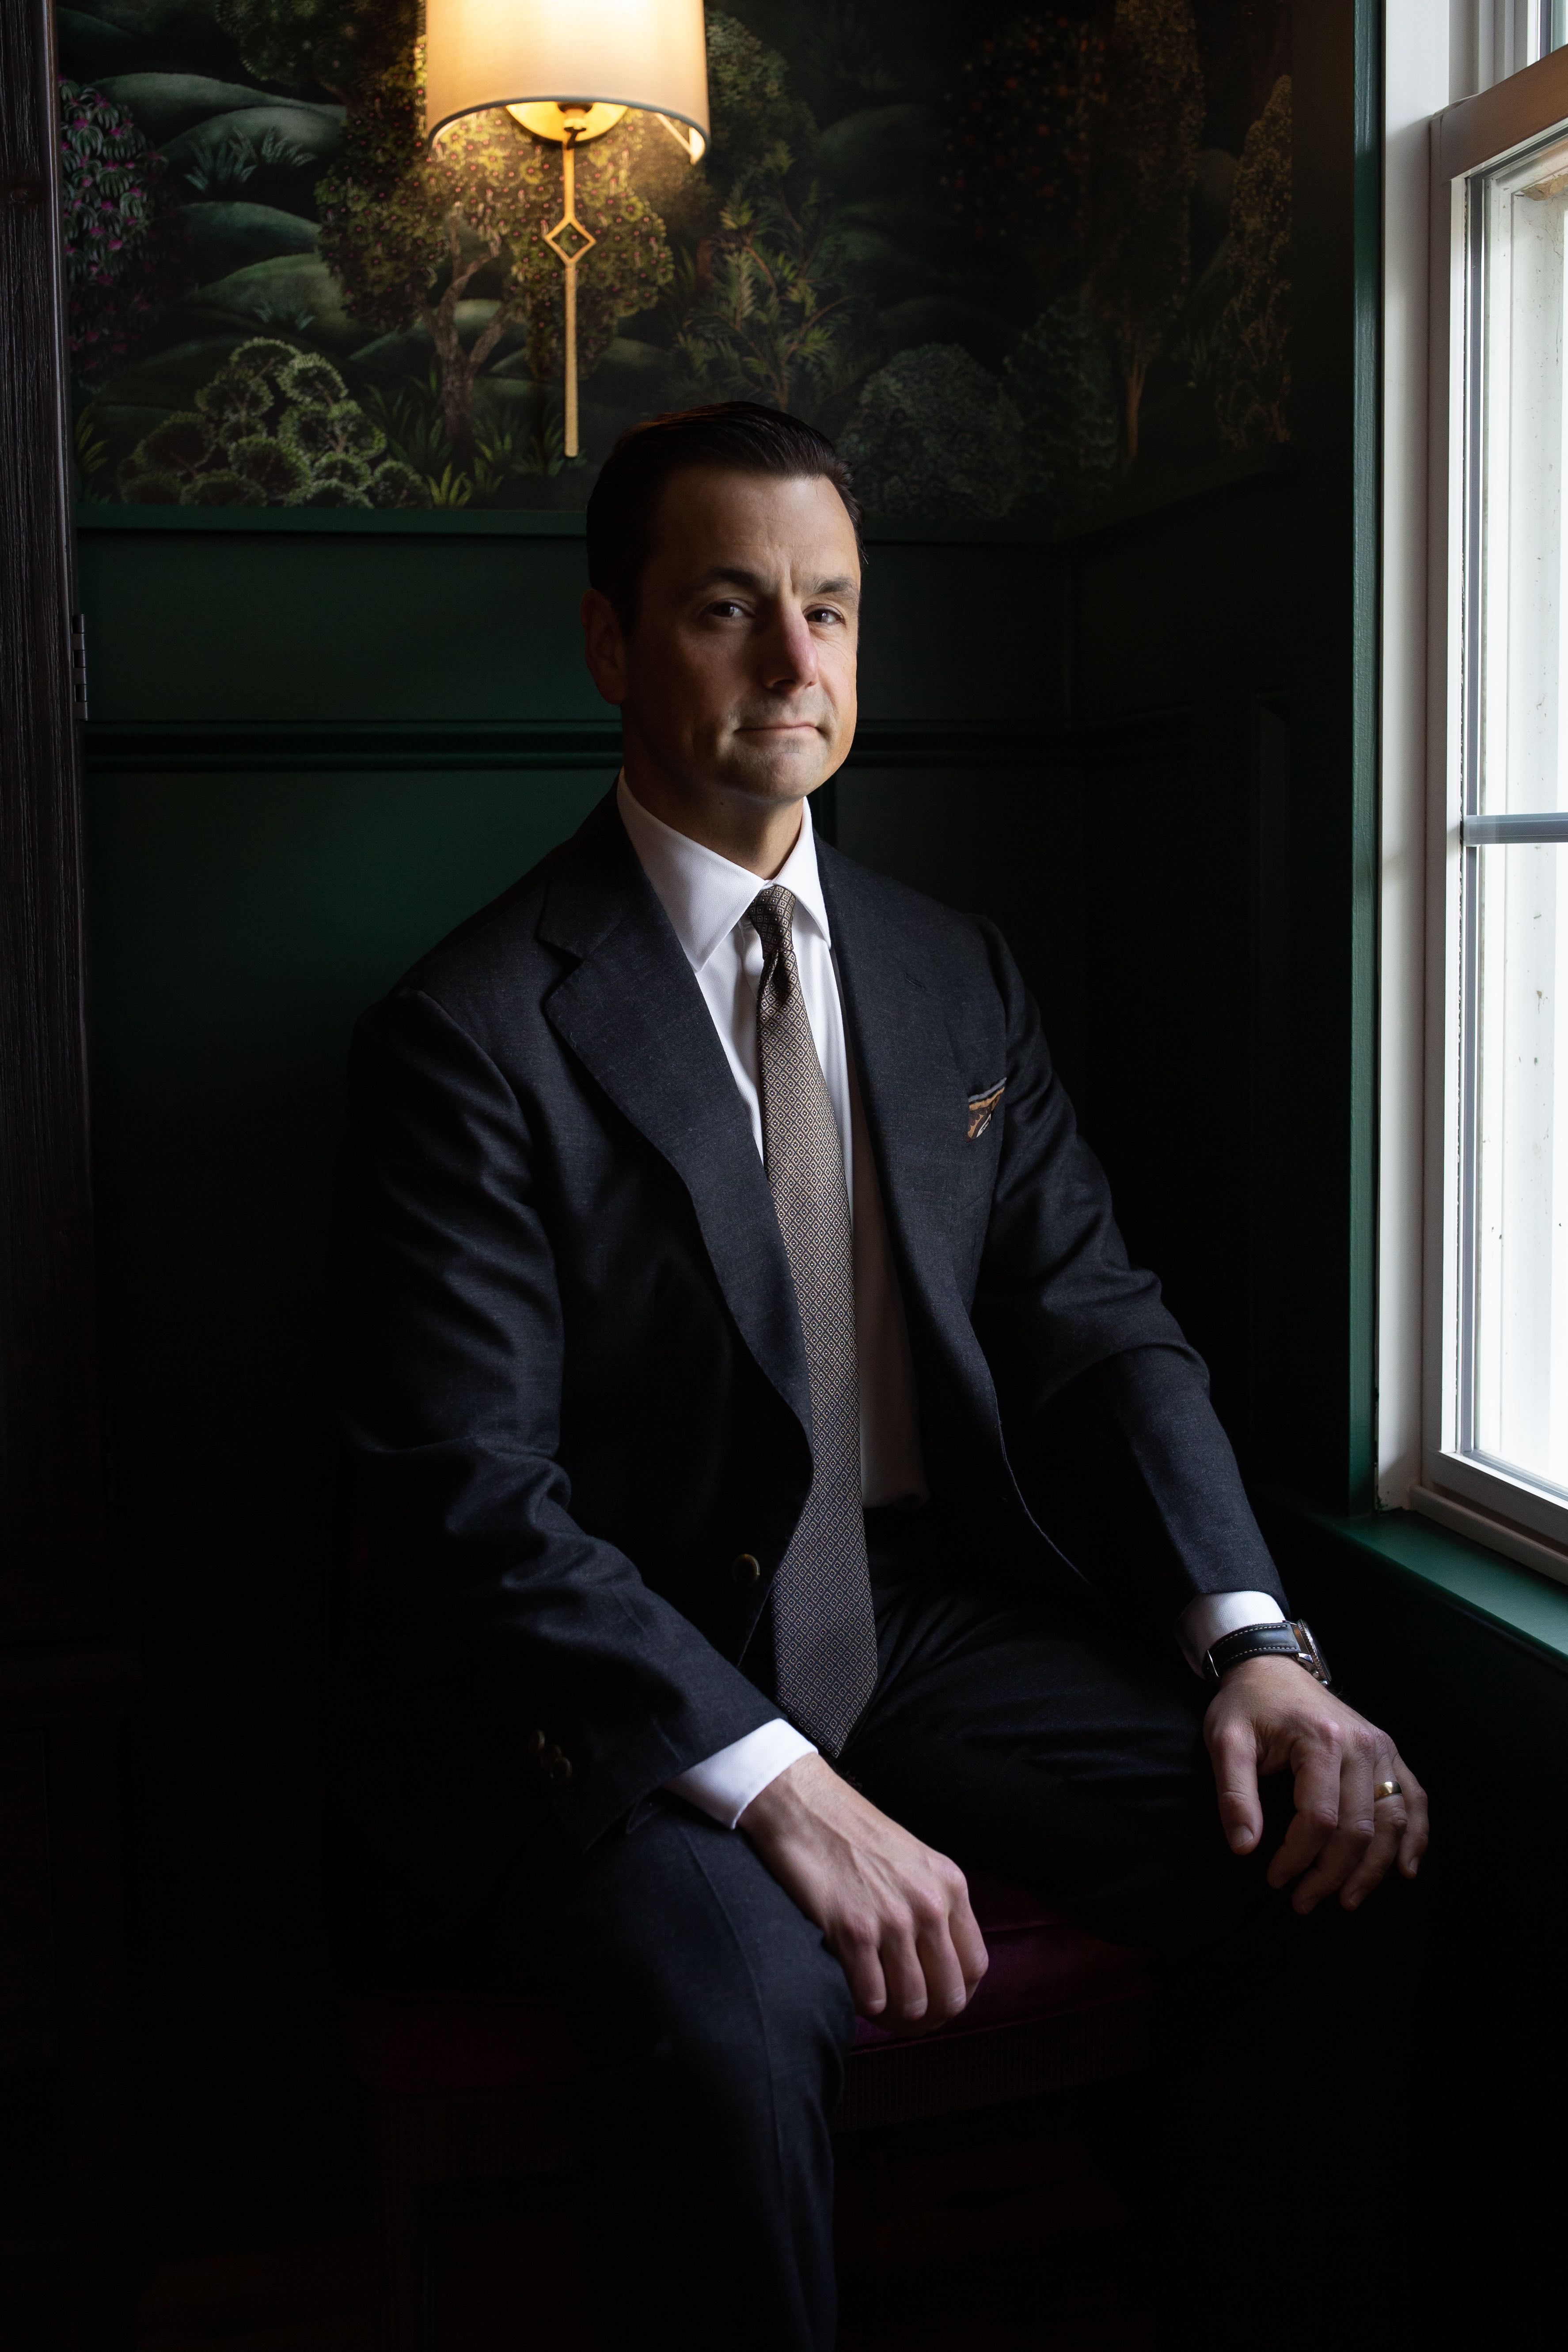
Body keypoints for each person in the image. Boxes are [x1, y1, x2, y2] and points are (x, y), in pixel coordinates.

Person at [332, 402, 1428, 2351]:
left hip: (921, 1617)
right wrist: (773, 1781)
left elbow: (1098, 1319)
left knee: (1329, 1865)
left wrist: (1252, 1639)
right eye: (730, 607)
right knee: (738, 2027)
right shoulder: (471, 1028)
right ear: (611, 644)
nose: (795, 662)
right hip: (638, 1684)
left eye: (831, 610)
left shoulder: (951, 974)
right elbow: (469, 1497)